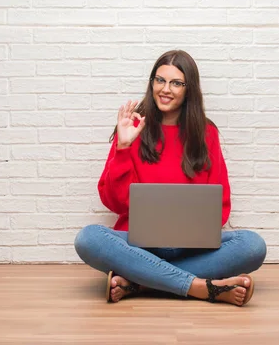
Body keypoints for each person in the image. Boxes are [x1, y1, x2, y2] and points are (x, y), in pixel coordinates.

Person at [74, 50, 267, 306]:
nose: (166, 89)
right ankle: (198, 287)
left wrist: (193, 232)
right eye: (160, 80)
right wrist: (122, 148)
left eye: (176, 83)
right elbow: (114, 202)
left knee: (253, 245)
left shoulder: (206, 134)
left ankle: (140, 281)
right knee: (88, 238)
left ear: (189, 89)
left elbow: (220, 206)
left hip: (191, 246)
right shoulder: (132, 128)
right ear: (152, 83)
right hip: (138, 243)